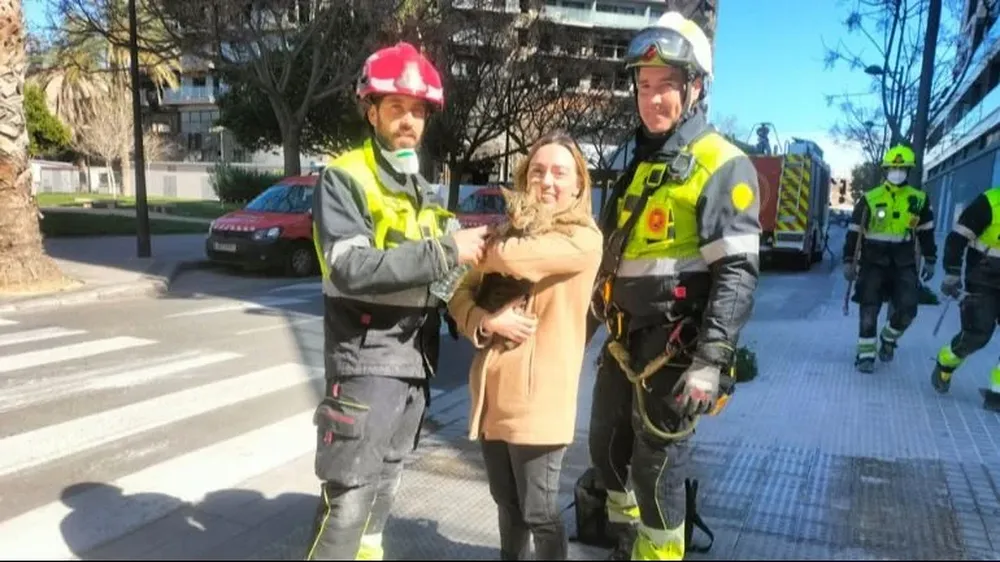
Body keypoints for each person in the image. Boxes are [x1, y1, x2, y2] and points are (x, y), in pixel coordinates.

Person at [585, 11, 761, 561]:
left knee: (656, 467)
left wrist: (712, 360)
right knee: (606, 447)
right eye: (644, 86)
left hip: (676, 351)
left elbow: (736, 272)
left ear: (696, 89)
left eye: (666, 87)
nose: (653, 98)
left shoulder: (721, 164)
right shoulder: (641, 163)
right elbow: (610, 262)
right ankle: (626, 540)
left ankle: (658, 554)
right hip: (621, 342)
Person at [306, 41, 490, 561]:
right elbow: (350, 267)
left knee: (382, 493)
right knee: (349, 501)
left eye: (417, 111)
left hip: (412, 361)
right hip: (364, 359)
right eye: (395, 108)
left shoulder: (421, 186)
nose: (408, 120)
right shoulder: (345, 177)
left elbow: (448, 273)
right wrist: (447, 250)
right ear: (372, 111)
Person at [447, 131, 603, 560]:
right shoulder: (507, 231)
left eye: (559, 172)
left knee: (539, 511)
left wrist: (484, 246)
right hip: (491, 396)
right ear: (523, 179)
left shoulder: (583, 239)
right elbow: (459, 294)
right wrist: (485, 320)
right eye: (537, 171)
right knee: (508, 504)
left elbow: (517, 258)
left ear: (577, 184)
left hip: (540, 402)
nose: (547, 181)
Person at [843, 144, 937, 374]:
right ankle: (865, 355)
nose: (897, 171)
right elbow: (855, 231)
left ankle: (888, 338)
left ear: (908, 170)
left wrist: (931, 258)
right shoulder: (870, 198)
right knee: (869, 307)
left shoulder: (919, 200)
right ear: (886, 169)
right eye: (892, 167)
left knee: (908, 307)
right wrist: (848, 260)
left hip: (903, 261)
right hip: (873, 260)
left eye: (901, 167)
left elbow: (926, 231)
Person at [931, 186, 1000, 411]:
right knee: (978, 334)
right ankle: (945, 364)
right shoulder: (990, 203)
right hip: (983, 278)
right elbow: (956, 238)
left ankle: (997, 394)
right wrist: (952, 272)